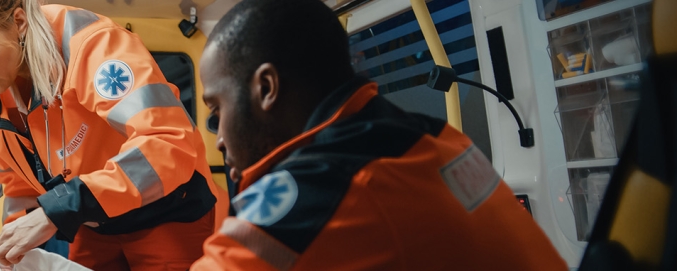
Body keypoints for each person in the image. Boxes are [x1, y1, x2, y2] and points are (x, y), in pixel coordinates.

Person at [190, 0, 569, 270]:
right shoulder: (438, 139)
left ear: (267, 88)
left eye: (217, 110)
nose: (220, 139)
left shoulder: (327, 191)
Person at [0, 0, 223, 270]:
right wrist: (12, 245)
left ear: (18, 22)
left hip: (168, 211)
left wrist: (57, 211)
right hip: (93, 220)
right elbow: (18, 182)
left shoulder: (94, 45)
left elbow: (167, 144)